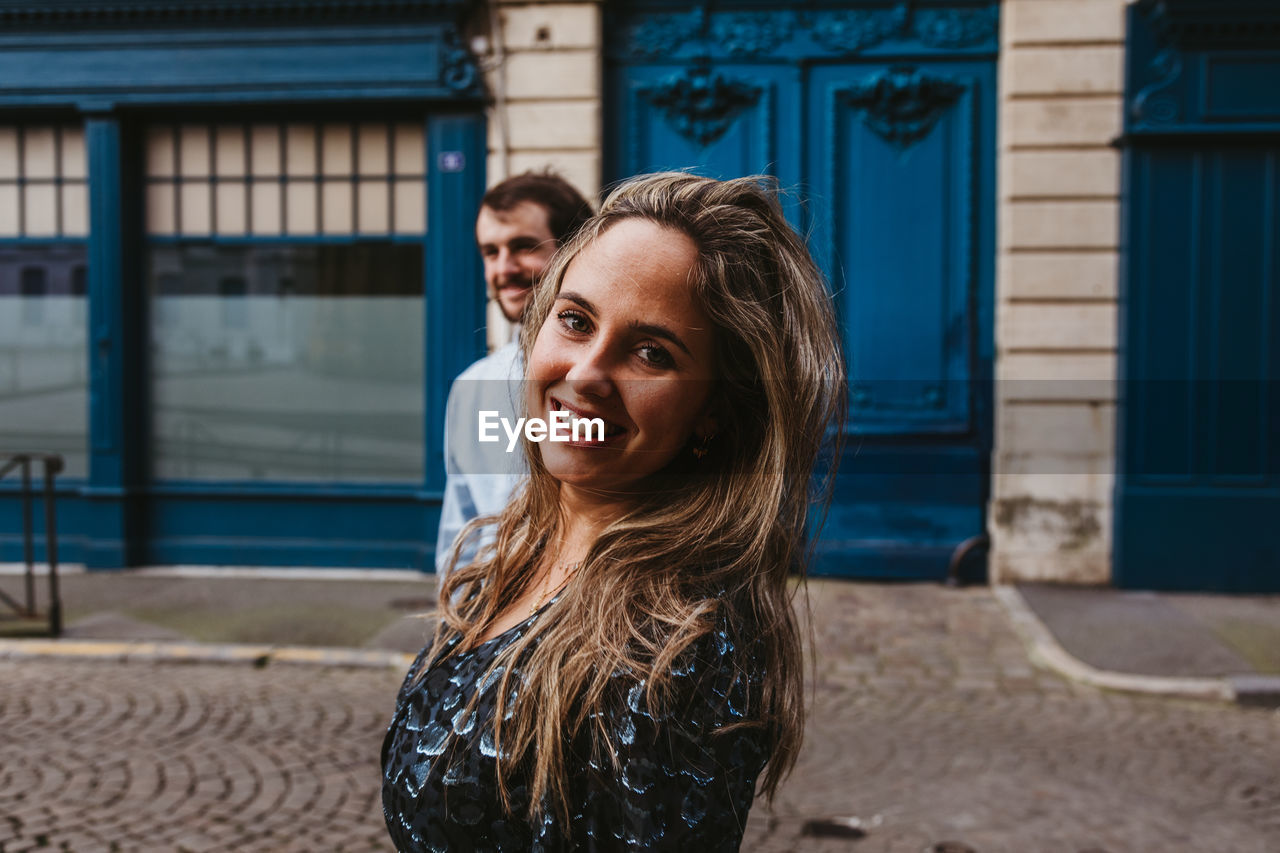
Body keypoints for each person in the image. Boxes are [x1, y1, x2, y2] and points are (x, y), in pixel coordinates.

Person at [384, 173, 845, 851]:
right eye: (575, 320)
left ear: (713, 412)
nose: (586, 373)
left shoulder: (678, 648)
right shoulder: (520, 546)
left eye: (651, 352)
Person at [436, 171, 592, 575]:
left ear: (575, 250)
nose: (504, 268)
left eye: (523, 247)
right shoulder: (472, 387)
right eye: (491, 252)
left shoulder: (605, 380)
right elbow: (462, 532)